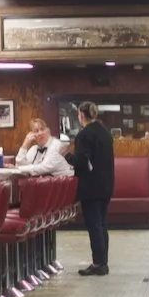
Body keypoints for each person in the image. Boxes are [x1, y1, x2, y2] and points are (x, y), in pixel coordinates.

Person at [62, 101, 114, 276]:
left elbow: (81, 161)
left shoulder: (84, 135)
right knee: (102, 224)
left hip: (91, 186)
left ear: (81, 115)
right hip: (106, 184)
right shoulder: (105, 132)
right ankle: (103, 261)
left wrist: (67, 155)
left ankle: (98, 263)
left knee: (94, 225)